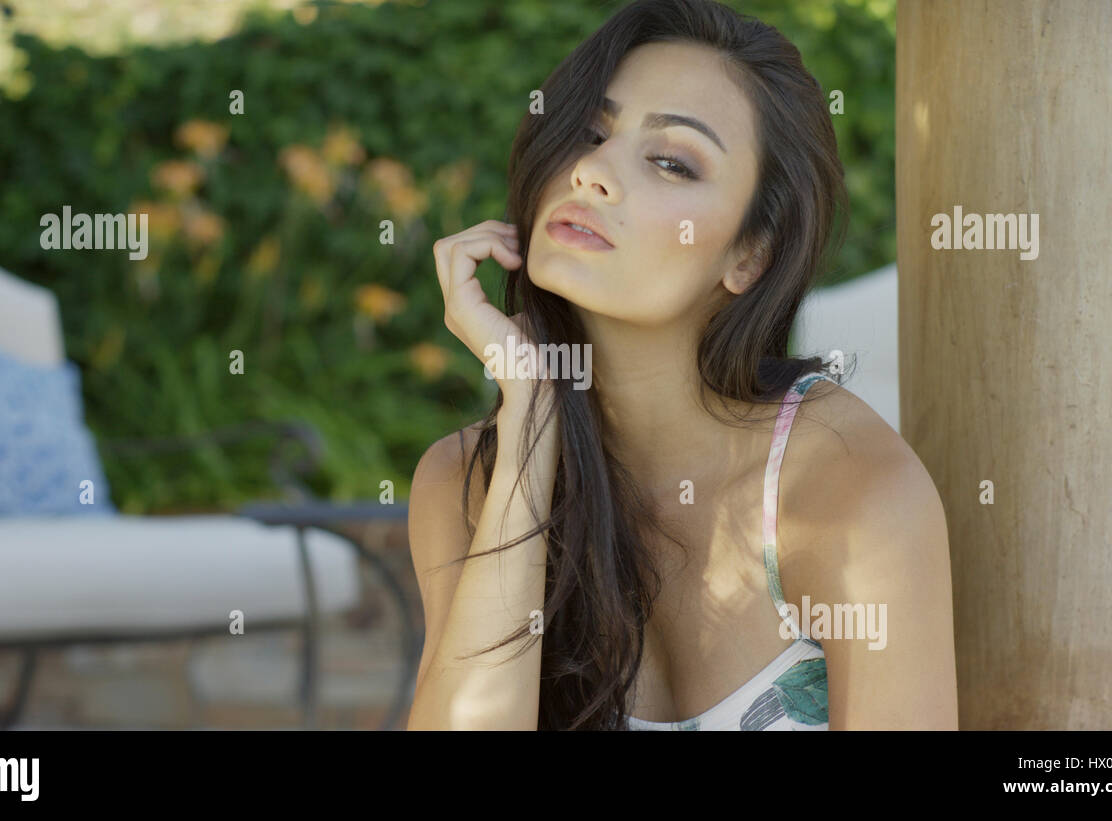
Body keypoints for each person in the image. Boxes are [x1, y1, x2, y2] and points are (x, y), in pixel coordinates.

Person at [406, 0, 956, 730]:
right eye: (590, 132)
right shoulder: (465, 483)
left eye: (671, 161)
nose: (593, 172)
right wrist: (531, 425)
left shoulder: (847, 489)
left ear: (749, 254)